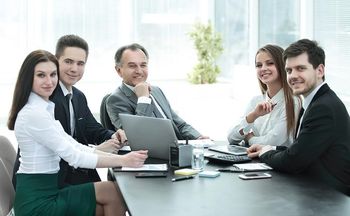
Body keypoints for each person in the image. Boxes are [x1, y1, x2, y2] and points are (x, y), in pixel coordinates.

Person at [8, 49, 148, 216]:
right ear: (28, 78)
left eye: (53, 74)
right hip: (37, 200)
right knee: (113, 196)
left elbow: (73, 144)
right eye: (41, 75)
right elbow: (73, 156)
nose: (49, 81)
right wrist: (123, 160)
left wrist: (119, 158)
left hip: (48, 190)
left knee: (113, 193)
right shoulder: (34, 114)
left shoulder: (43, 108)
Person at [12, 35, 127, 188]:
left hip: (72, 171)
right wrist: (98, 150)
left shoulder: (77, 96)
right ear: (55, 62)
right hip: (53, 178)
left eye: (80, 63)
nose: (74, 69)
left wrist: (113, 136)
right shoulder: (47, 98)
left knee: (116, 190)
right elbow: (62, 150)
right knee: (114, 192)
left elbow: (90, 128)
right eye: (68, 62)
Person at [247, 39, 350, 195]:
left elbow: (294, 160)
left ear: (320, 71)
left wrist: (264, 153)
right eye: (289, 70)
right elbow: (302, 149)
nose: (293, 76)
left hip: (330, 197)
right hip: (314, 189)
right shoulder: (313, 102)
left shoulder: (324, 107)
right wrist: (270, 148)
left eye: (300, 68)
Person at [106, 43, 208, 140]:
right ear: (119, 70)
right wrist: (143, 99)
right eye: (132, 66)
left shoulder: (156, 91)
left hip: (177, 149)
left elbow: (178, 124)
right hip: (151, 155)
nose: (139, 71)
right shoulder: (115, 100)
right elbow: (135, 135)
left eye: (143, 65)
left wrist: (198, 138)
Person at [228, 44, 300, 147]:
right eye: (259, 65)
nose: (263, 68)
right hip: (249, 160)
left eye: (270, 63)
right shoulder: (255, 101)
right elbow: (231, 138)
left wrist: (250, 139)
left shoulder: (292, 102)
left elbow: (273, 142)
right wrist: (253, 115)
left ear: (283, 66)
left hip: (275, 162)